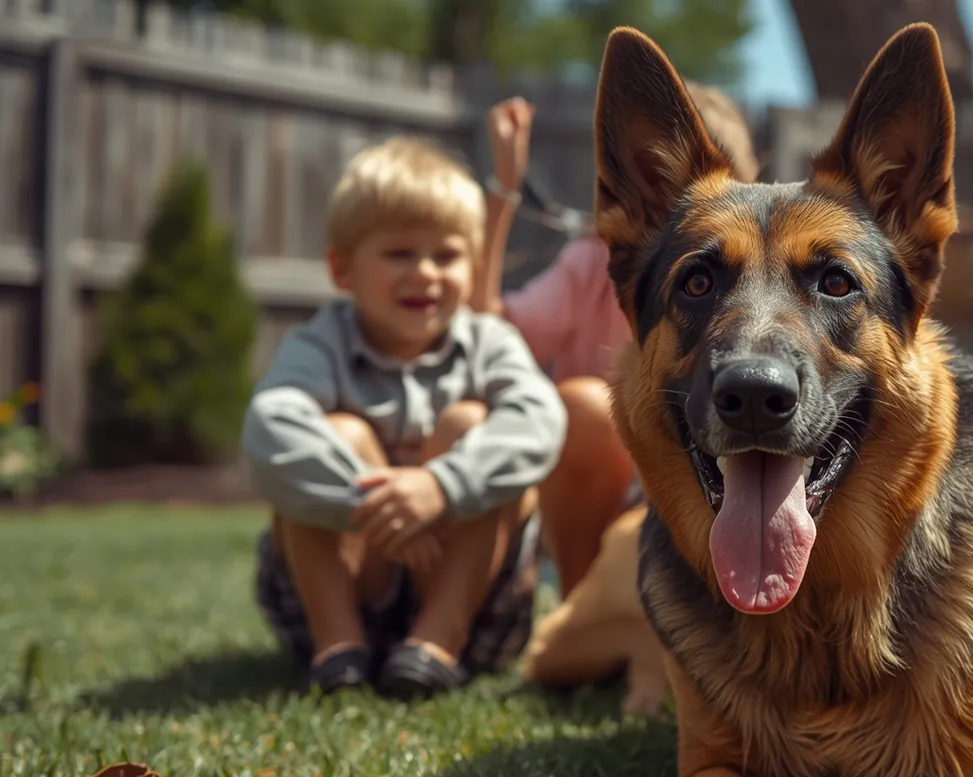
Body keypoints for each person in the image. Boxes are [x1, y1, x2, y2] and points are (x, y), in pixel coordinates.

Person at [241, 136, 568, 699]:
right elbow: (270, 425)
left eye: (446, 255)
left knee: (470, 425)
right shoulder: (319, 343)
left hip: (472, 598)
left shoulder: (489, 341)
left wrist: (443, 487)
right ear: (342, 270)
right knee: (337, 433)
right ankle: (337, 648)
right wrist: (381, 506)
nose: (425, 273)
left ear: (474, 266)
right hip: (346, 586)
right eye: (398, 254)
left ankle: (437, 640)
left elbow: (541, 419)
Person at [472, 83, 761, 597]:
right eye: (655, 186)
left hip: (716, 497)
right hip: (610, 506)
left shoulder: (773, 287)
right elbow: (484, 335)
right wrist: (504, 188)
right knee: (587, 406)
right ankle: (580, 604)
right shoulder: (588, 266)